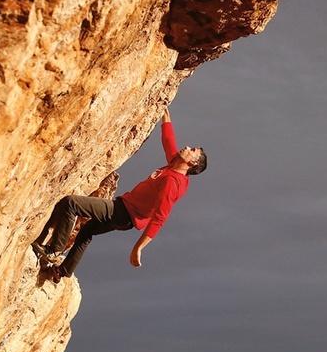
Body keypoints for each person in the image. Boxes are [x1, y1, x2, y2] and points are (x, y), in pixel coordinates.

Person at [32, 106, 207, 282]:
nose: (187, 147)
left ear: (192, 162)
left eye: (192, 150)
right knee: (86, 231)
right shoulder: (175, 165)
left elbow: (160, 217)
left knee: (71, 204)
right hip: (126, 217)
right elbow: (169, 143)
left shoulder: (172, 183)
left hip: (122, 212)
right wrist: (166, 117)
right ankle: (62, 271)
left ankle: (54, 249)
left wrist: (138, 247)